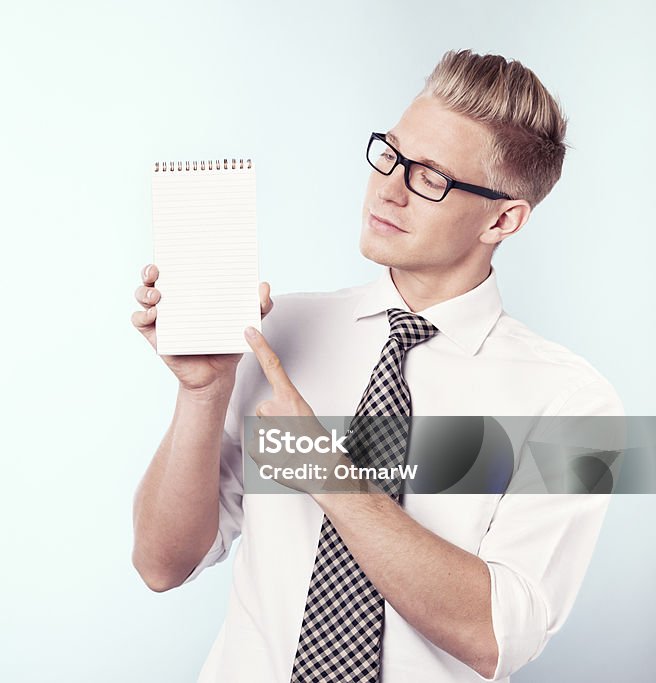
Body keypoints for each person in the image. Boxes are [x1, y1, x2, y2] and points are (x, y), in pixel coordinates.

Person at [130, 50, 622, 683]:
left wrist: (324, 471)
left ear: (503, 218)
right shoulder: (276, 334)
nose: (388, 189)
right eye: (390, 155)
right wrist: (204, 389)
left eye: (431, 179)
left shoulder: (577, 406)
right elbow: (159, 566)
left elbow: (498, 636)